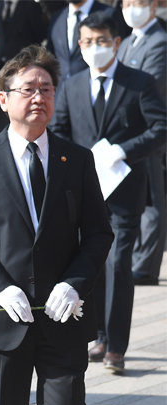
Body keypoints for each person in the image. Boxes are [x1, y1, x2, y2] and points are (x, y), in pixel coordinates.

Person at [0, 45, 113, 405]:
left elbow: (98, 232)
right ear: (4, 99)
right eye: (28, 89)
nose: (39, 97)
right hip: (1, 318)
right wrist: (1, 288)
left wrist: (75, 285)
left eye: (47, 88)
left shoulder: (76, 158)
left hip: (62, 318)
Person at [50, 12, 166, 373]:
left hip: (125, 191)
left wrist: (124, 150)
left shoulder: (139, 83)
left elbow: (160, 127)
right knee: (92, 263)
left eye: (102, 41)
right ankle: (97, 335)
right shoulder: (72, 85)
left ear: (116, 43)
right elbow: (59, 131)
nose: (94, 48)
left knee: (118, 264)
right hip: (86, 191)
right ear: (79, 44)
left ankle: (116, 346)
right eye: (87, 42)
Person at [118, 0, 167, 285]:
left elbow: (149, 84)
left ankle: (147, 266)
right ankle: (137, 257)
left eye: (138, 2)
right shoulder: (127, 42)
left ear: (152, 7)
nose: (131, 8)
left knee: (152, 199)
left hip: (147, 130)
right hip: (125, 133)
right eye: (126, 3)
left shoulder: (159, 42)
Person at [47, 0, 128, 83]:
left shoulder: (109, 14)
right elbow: (51, 55)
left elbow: (121, 52)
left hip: (99, 85)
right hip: (62, 88)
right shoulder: (57, 18)